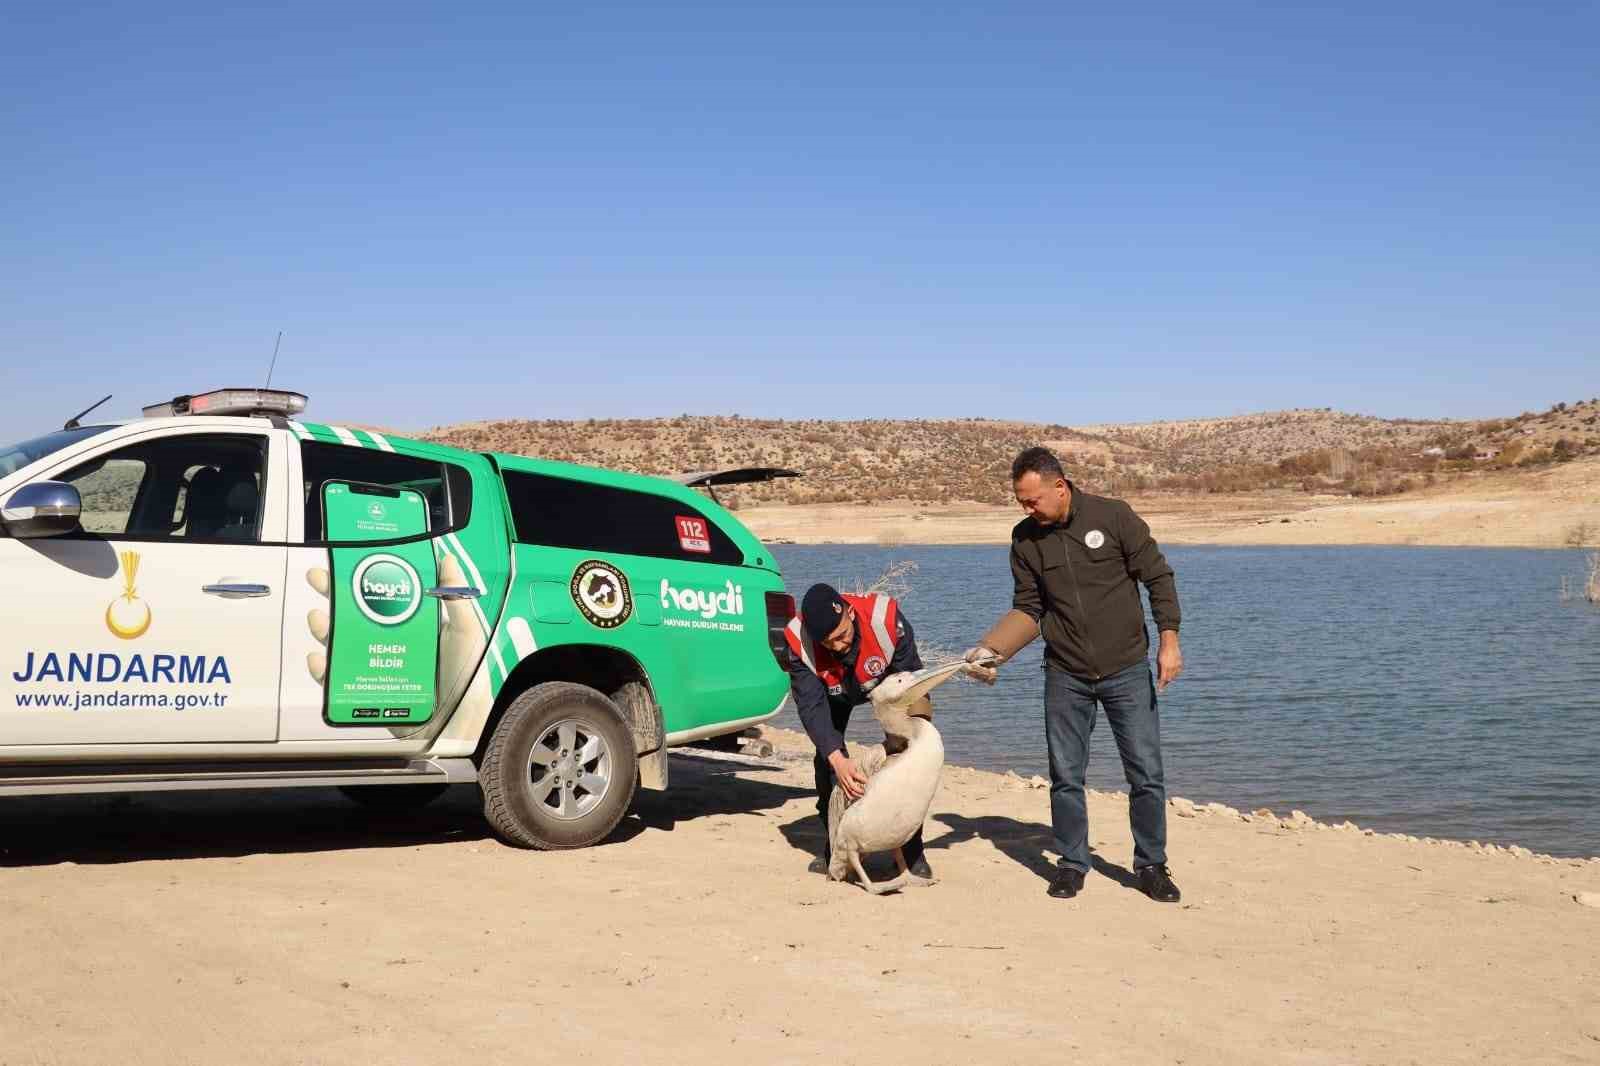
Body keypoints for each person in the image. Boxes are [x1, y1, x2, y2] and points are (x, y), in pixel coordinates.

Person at [966, 447, 1184, 902]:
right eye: (1021, 502)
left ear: (1059, 487)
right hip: (1065, 674)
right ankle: (1071, 863)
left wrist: (1169, 640)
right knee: (1066, 774)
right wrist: (993, 650)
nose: (1028, 509)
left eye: (1033, 500)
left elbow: (1158, 577)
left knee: (1145, 773)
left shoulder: (1113, 516)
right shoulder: (1025, 540)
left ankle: (1151, 866)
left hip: (1126, 668)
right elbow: (1029, 608)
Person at [784, 582, 933, 878]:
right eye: (828, 642)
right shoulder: (798, 641)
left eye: (841, 635)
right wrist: (837, 758)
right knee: (828, 761)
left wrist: (918, 736)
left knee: (908, 759)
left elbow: (913, 685)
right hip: (832, 690)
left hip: (886, 680)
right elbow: (812, 707)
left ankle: (911, 849)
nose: (838, 646)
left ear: (850, 613)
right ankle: (836, 847)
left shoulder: (887, 622)